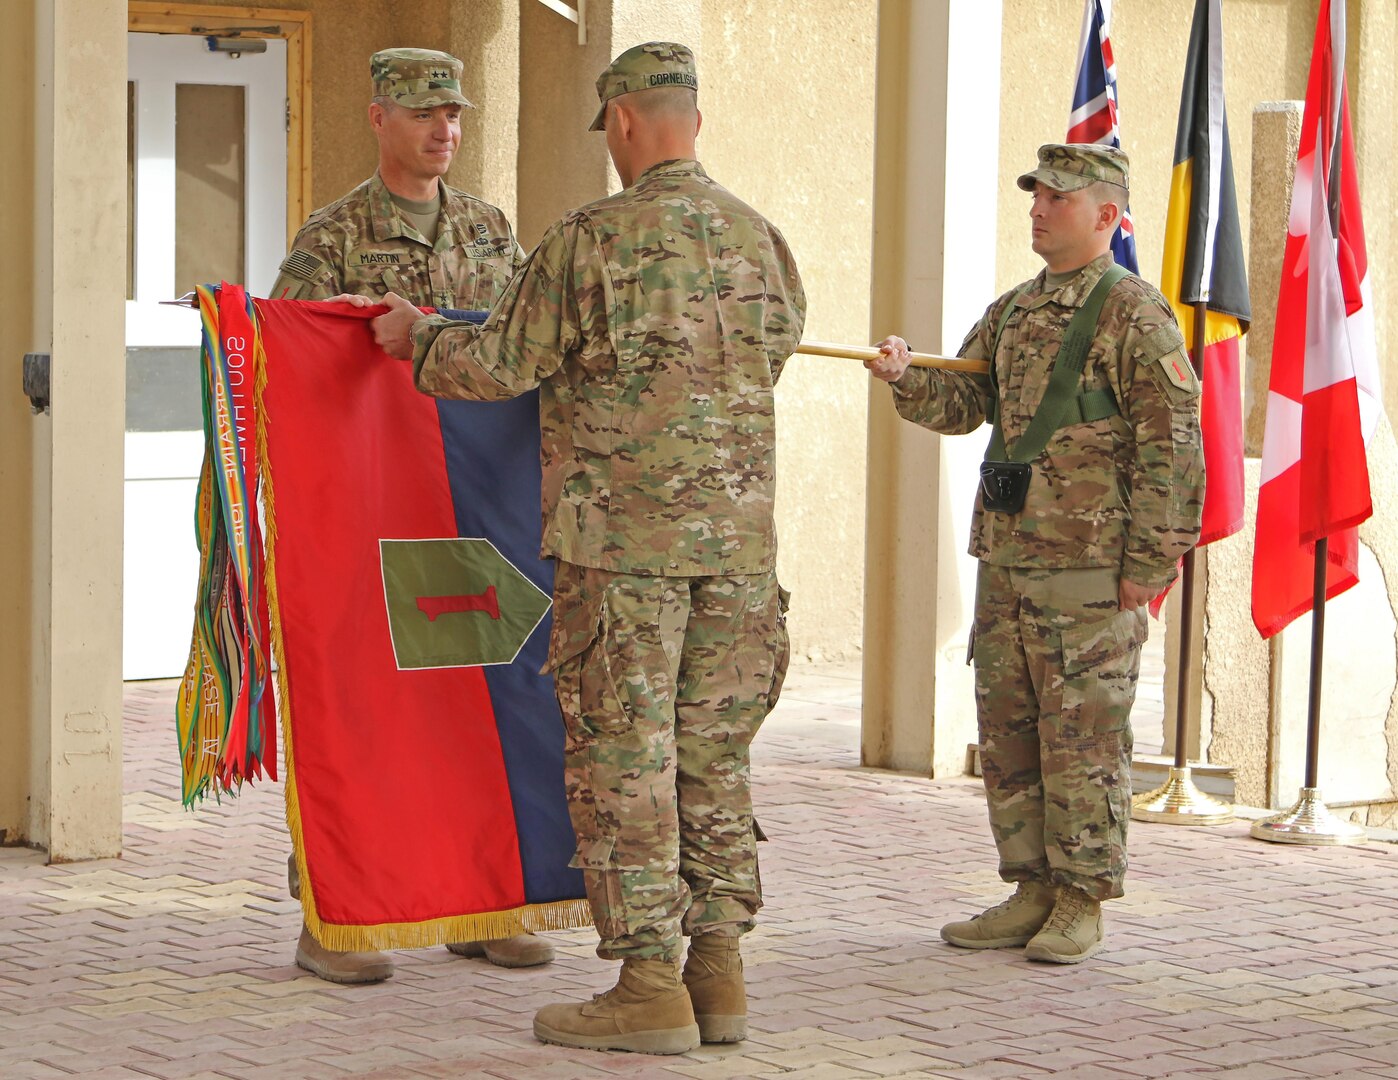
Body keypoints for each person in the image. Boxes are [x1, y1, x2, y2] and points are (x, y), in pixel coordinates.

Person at [366, 41, 804, 1055]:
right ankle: (718, 973)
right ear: (689, 117)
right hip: (738, 557)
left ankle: (650, 983)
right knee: (714, 758)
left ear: (620, 122)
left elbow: (503, 362)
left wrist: (417, 341)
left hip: (626, 557)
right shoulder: (759, 239)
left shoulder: (591, 240)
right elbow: (772, 353)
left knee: (629, 762)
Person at [867, 143, 1203, 964]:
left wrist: (1150, 561)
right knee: (1011, 732)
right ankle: (1031, 887)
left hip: (1091, 571)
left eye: (1057, 195)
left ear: (1106, 216)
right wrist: (906, 377)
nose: (1038, 206)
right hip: (1011, 561)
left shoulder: (1135, 315)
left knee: (1083, 736)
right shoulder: (1014, 310)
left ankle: (1083, 897)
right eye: (1036, 193)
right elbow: (964, 400)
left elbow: (1176, 446)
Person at [270, 47, 553, 983]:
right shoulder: (334, 232)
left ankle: (481, 903)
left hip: (470, 506)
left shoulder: (486, 224)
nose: (445, 130)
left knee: (477, 695)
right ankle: (335, 914)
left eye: (456, 114)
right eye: (425, 112)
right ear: (377, 116)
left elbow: (516, 345)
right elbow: (295, 360)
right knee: (360, 705)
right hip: (373, 511)